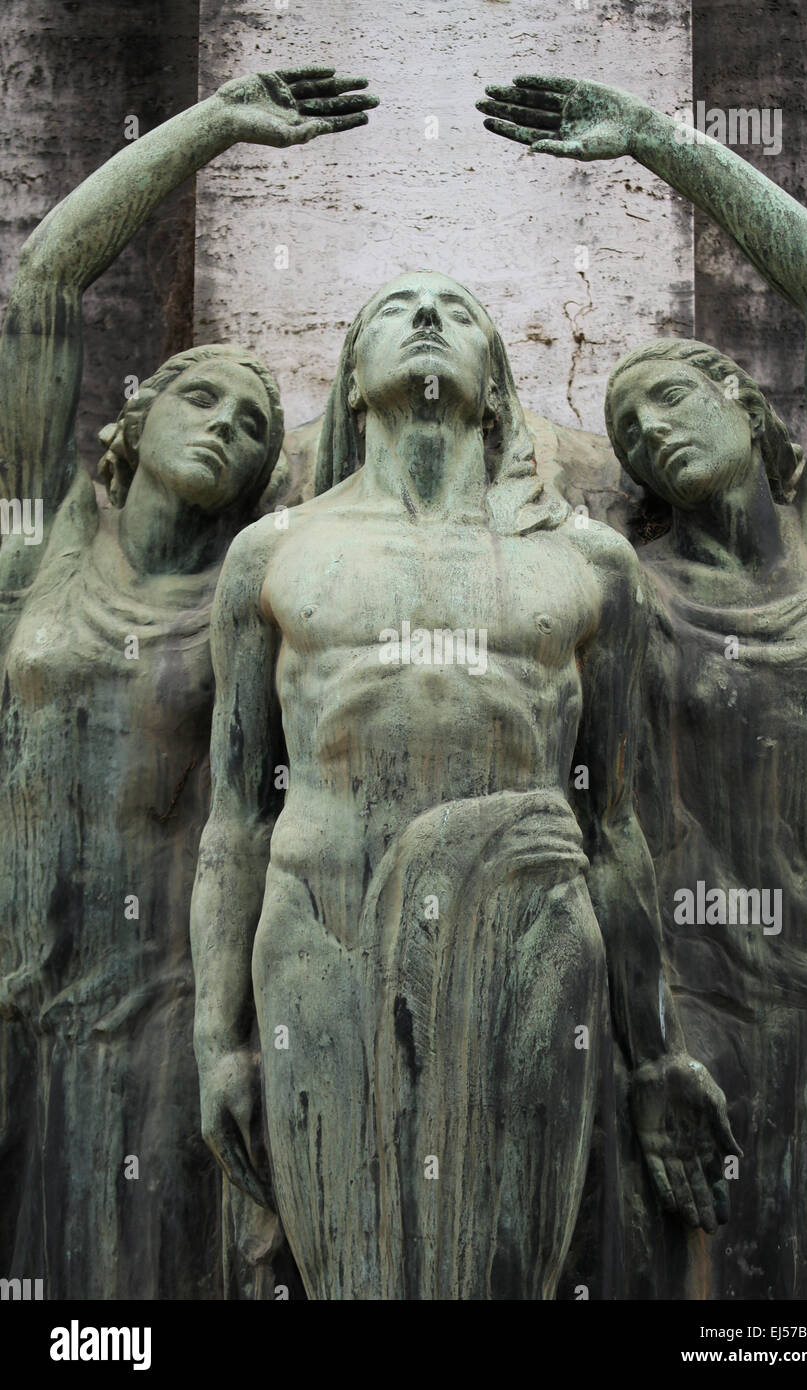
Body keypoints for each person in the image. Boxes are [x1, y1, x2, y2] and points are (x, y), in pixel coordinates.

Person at [191, 267, 738, 1301]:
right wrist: (215, 1037)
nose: (428, 317)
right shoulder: (272, 551)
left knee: (504, 1270)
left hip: (530, 931)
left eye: (459, 313)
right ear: (353, 380)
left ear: (494, 388)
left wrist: (651, 1053)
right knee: (347, 1271)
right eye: (396, 309)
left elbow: (612, 823)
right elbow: (232, 818)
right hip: (321, 930)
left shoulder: (589, 561)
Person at [479, 73, 807, 1297]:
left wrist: (655, 141)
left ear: (750, 405)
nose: (648, 432)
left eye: (670, 399)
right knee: (716, 1285)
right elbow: (606, 810)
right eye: (627, 428)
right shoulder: (624, 583)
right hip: (704, 993)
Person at [0, 64, 377, 1298]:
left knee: (135, 1283)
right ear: (132, 420)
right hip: (19, 980)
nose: (227, 424)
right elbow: (44, 284)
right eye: (200, 397)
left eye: (256, 421)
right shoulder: (35, 549)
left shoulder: (258, 596)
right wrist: (212, 125)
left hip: (167, 995)